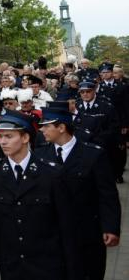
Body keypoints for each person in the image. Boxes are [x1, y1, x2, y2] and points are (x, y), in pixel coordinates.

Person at [0, 109, 80, 280]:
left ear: (25, 138)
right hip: (12, 266)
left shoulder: (52, 173)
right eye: (0, 136)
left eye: (9, 136)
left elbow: (66, 226)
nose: (2, 142)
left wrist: (72, 271)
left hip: (47, 266)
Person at [35, 101, 121, 280]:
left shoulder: (93, 154)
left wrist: (111, 228)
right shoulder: (40, 155)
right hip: (52, 234)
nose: (41, 130)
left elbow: (107, 195)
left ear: (61, 127)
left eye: (46, 126)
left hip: (86, 232)